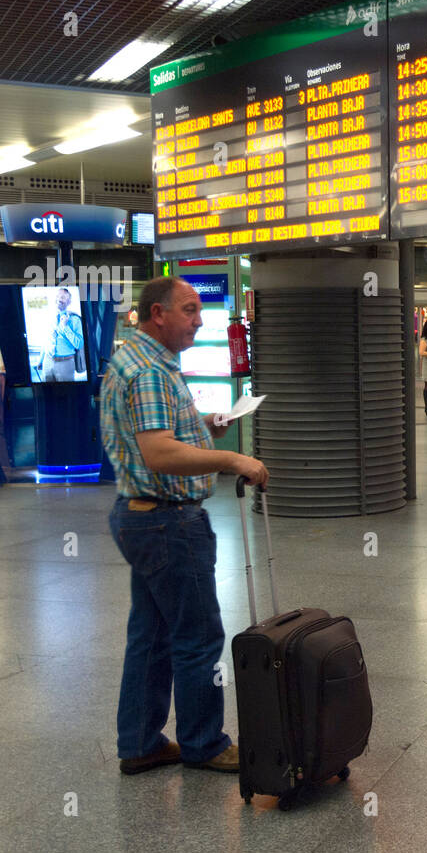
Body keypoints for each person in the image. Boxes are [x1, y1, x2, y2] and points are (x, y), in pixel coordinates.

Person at [99, 276, 269, 776]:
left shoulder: (133, 360)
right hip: (168, 524)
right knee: (197, 637)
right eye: (190, 310)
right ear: (158, 314)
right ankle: (204, 743)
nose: (199, 320)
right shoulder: (150, 370)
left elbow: (162, 435)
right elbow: (159, 453)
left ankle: (140, 743)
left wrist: (206, 428)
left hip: (139, 516)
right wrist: (233, 459)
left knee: (149, 637)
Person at [43, 288, 84, 382]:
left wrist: (65, 327)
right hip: (47, 362)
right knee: (45, 393)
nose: (59, 299)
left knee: (66, 394)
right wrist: (41, 360)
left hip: (65, 364)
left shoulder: (75, 319)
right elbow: (47, 340)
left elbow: (79, 344)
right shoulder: (49, 317)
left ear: (69, 302)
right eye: (57, 296)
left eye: (63, 297)